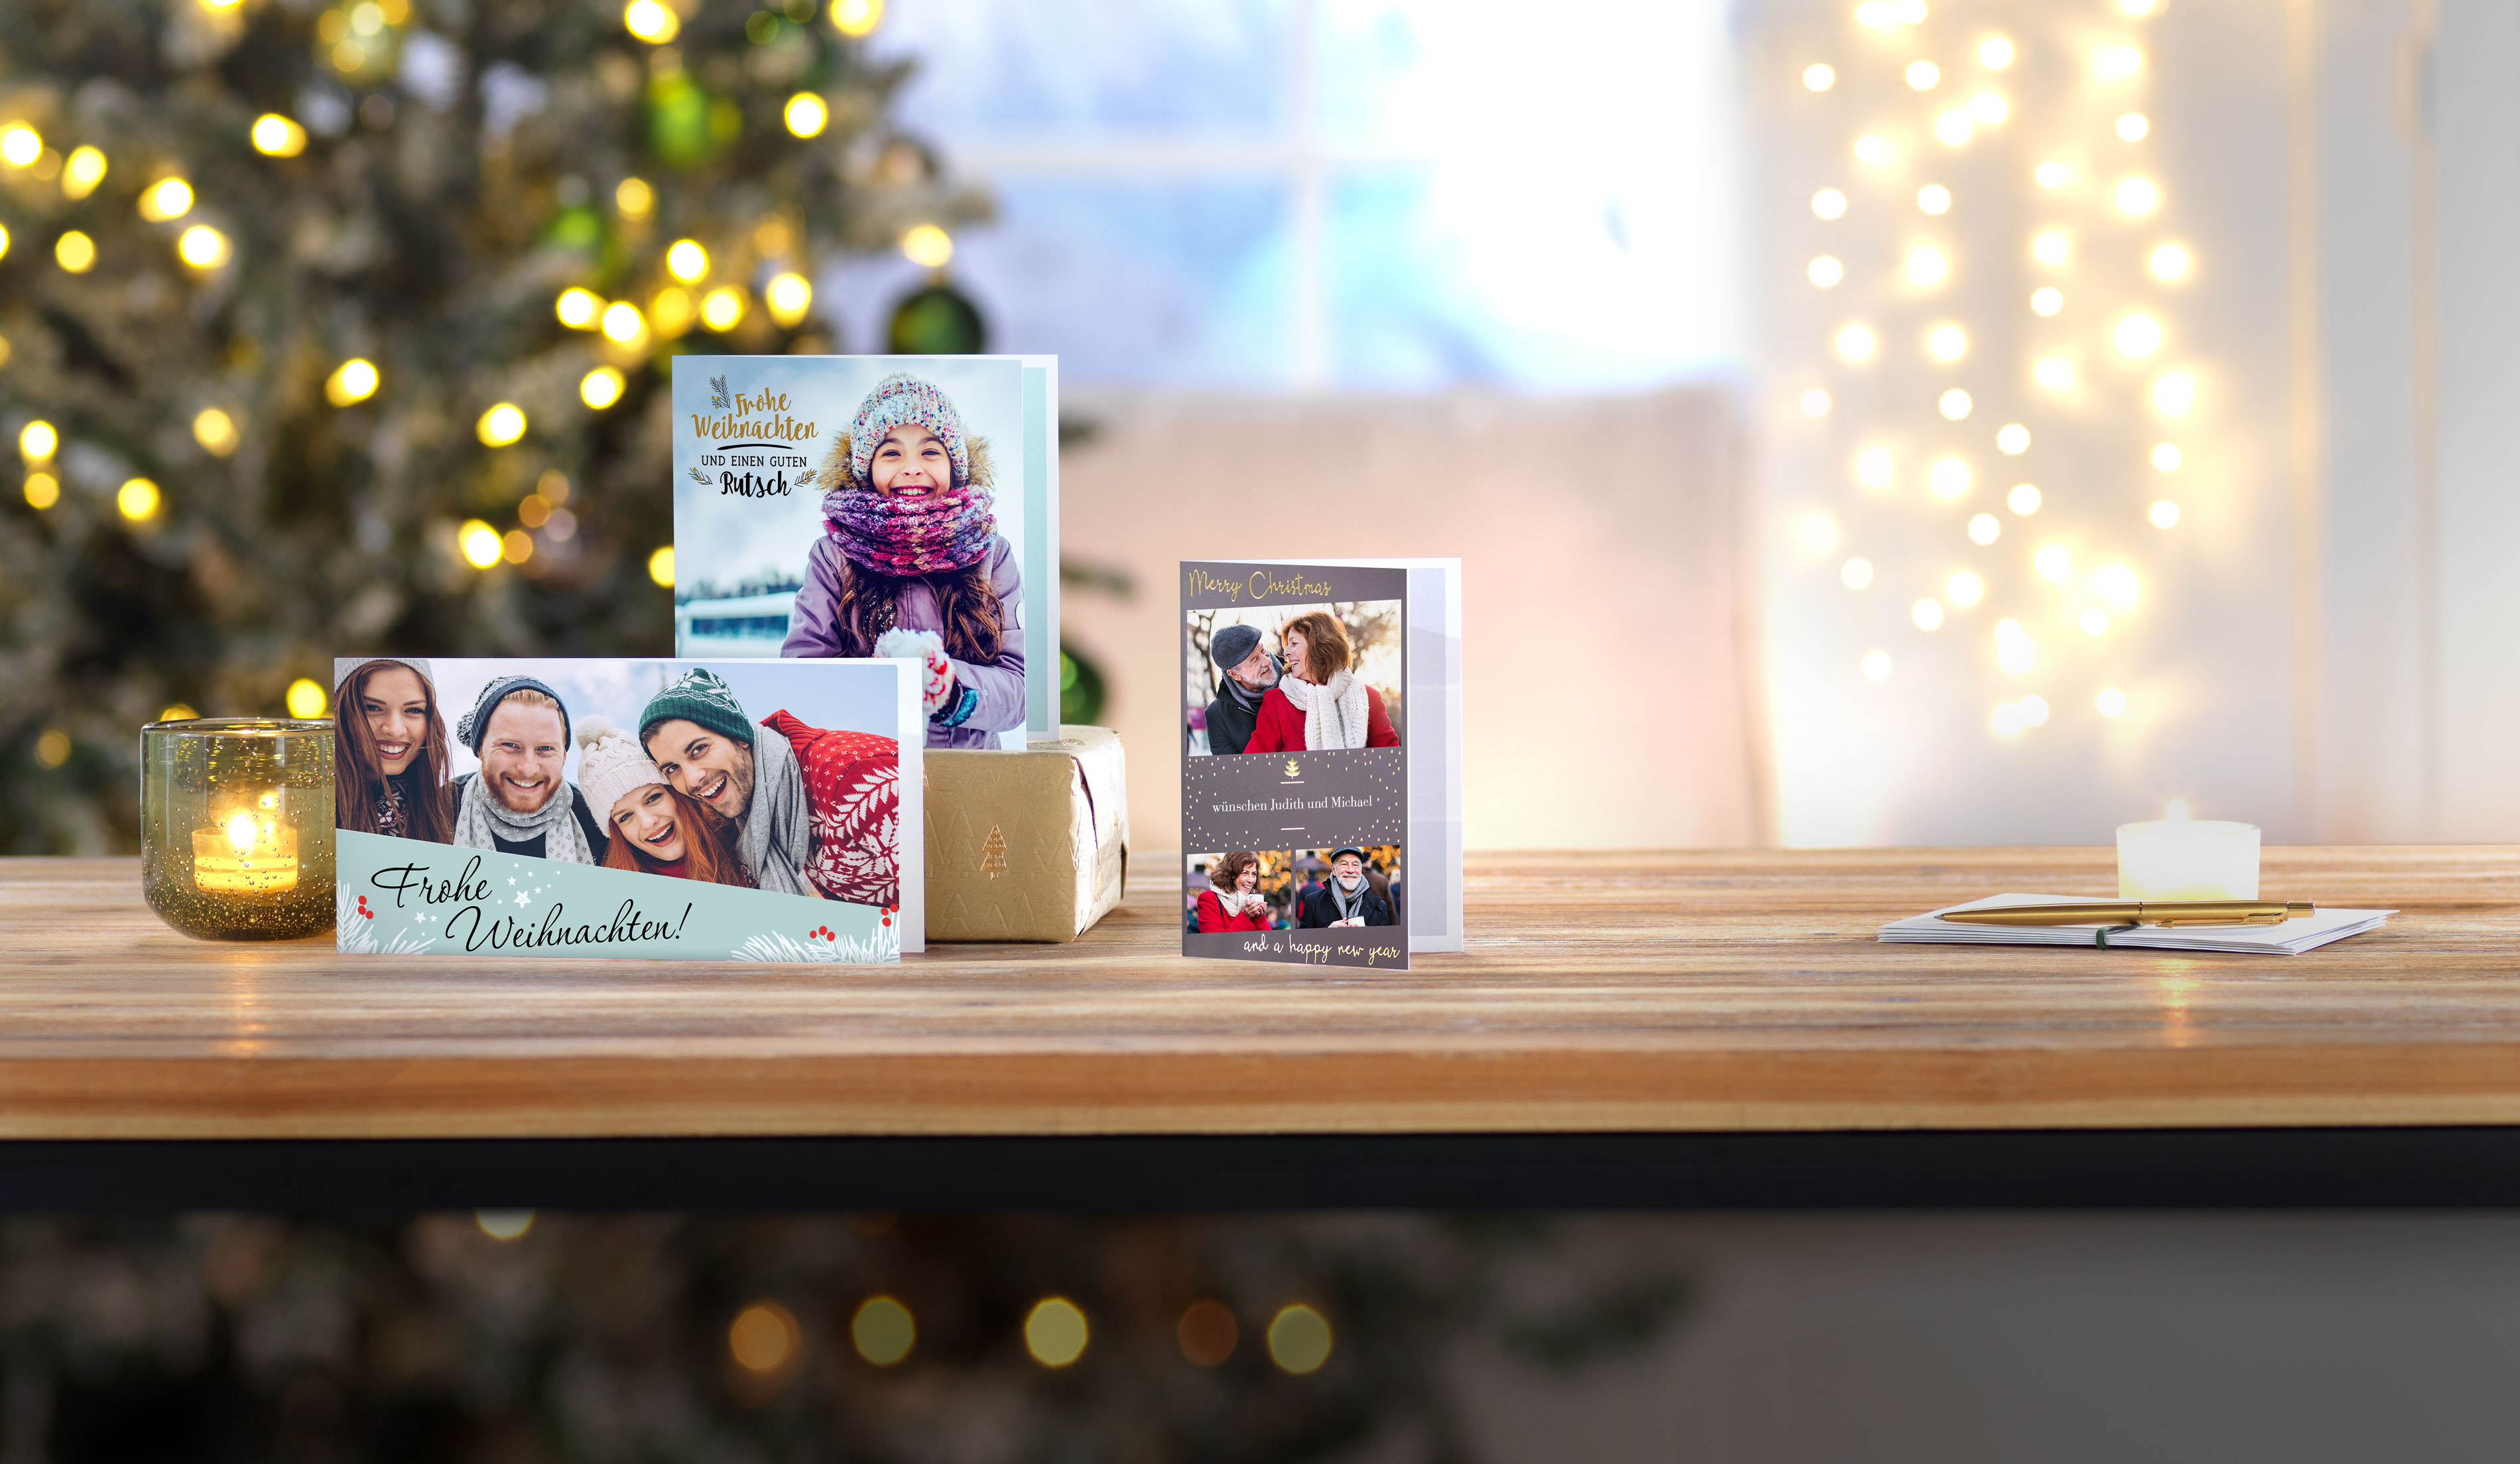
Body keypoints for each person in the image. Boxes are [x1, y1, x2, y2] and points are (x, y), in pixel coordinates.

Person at [784, 372, 1025, 749]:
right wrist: (882, 684)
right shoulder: (833, 556)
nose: (912, 467)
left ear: (954, 466)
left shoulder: (992, 554)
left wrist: (951, 688)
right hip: (869, 774)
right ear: (867, 469)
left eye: (930, 451)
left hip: (968, 780)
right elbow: (804, 672)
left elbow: (1019, 686)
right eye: (892, 452)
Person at [639, 667, 824, 899]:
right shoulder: (735, 813)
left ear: (738, 735)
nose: (692, 779)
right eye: (673, 768)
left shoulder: (842, 780)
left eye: (699, 750)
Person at [577, 716, 753, 887]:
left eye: (653, 798)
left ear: (676, 793)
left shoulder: (739, 830)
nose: (648, 822)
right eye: (625, 817)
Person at [451, 677, 607, 862]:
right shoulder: (438, 807)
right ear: (480, 748)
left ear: (564, 755)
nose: (528, 768)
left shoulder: (597, 819)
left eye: (546, 749)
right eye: (510, 745)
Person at [1243, 611, 1400, 754]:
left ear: (1320, 646)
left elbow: (1391, 761)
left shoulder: (1368, 697)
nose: (1286, 653)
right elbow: (1254, 765)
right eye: (1287, 645)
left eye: (1294, 643)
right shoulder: (1276, 702)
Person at [334, 657, 452, 843]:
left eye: (413, 710)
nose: (396, 730)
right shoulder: (310, 804)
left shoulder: (444, 809)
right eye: (372, 708)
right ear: (339, 713)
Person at [1200, 623, 1279, 756]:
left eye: (1263, 651)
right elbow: (1231, 772)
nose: (1267, 661)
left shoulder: (1296, 678)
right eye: (1254, 661)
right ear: (1235, 674)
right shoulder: (1217, 716)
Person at [1298, 848, 1396, 929]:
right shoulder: (1313, 902)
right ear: (1334, 870)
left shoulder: (1378, 906)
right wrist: (1327, 932)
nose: (1350, 870)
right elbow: (1302, 945)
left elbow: (1386, 946)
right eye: (1344, 864)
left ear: (1361, 870)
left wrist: (1369, 937)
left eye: (1355, 865)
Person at [1196, 852, 1273, 933]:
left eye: (1254, 874)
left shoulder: (1252, 901)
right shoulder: (1209, 898)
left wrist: (1259, 918)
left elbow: (1268, 943)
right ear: (1231, 874)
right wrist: (1245, 916)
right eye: (1245, 873)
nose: (1251, 880)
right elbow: (1216, 943)